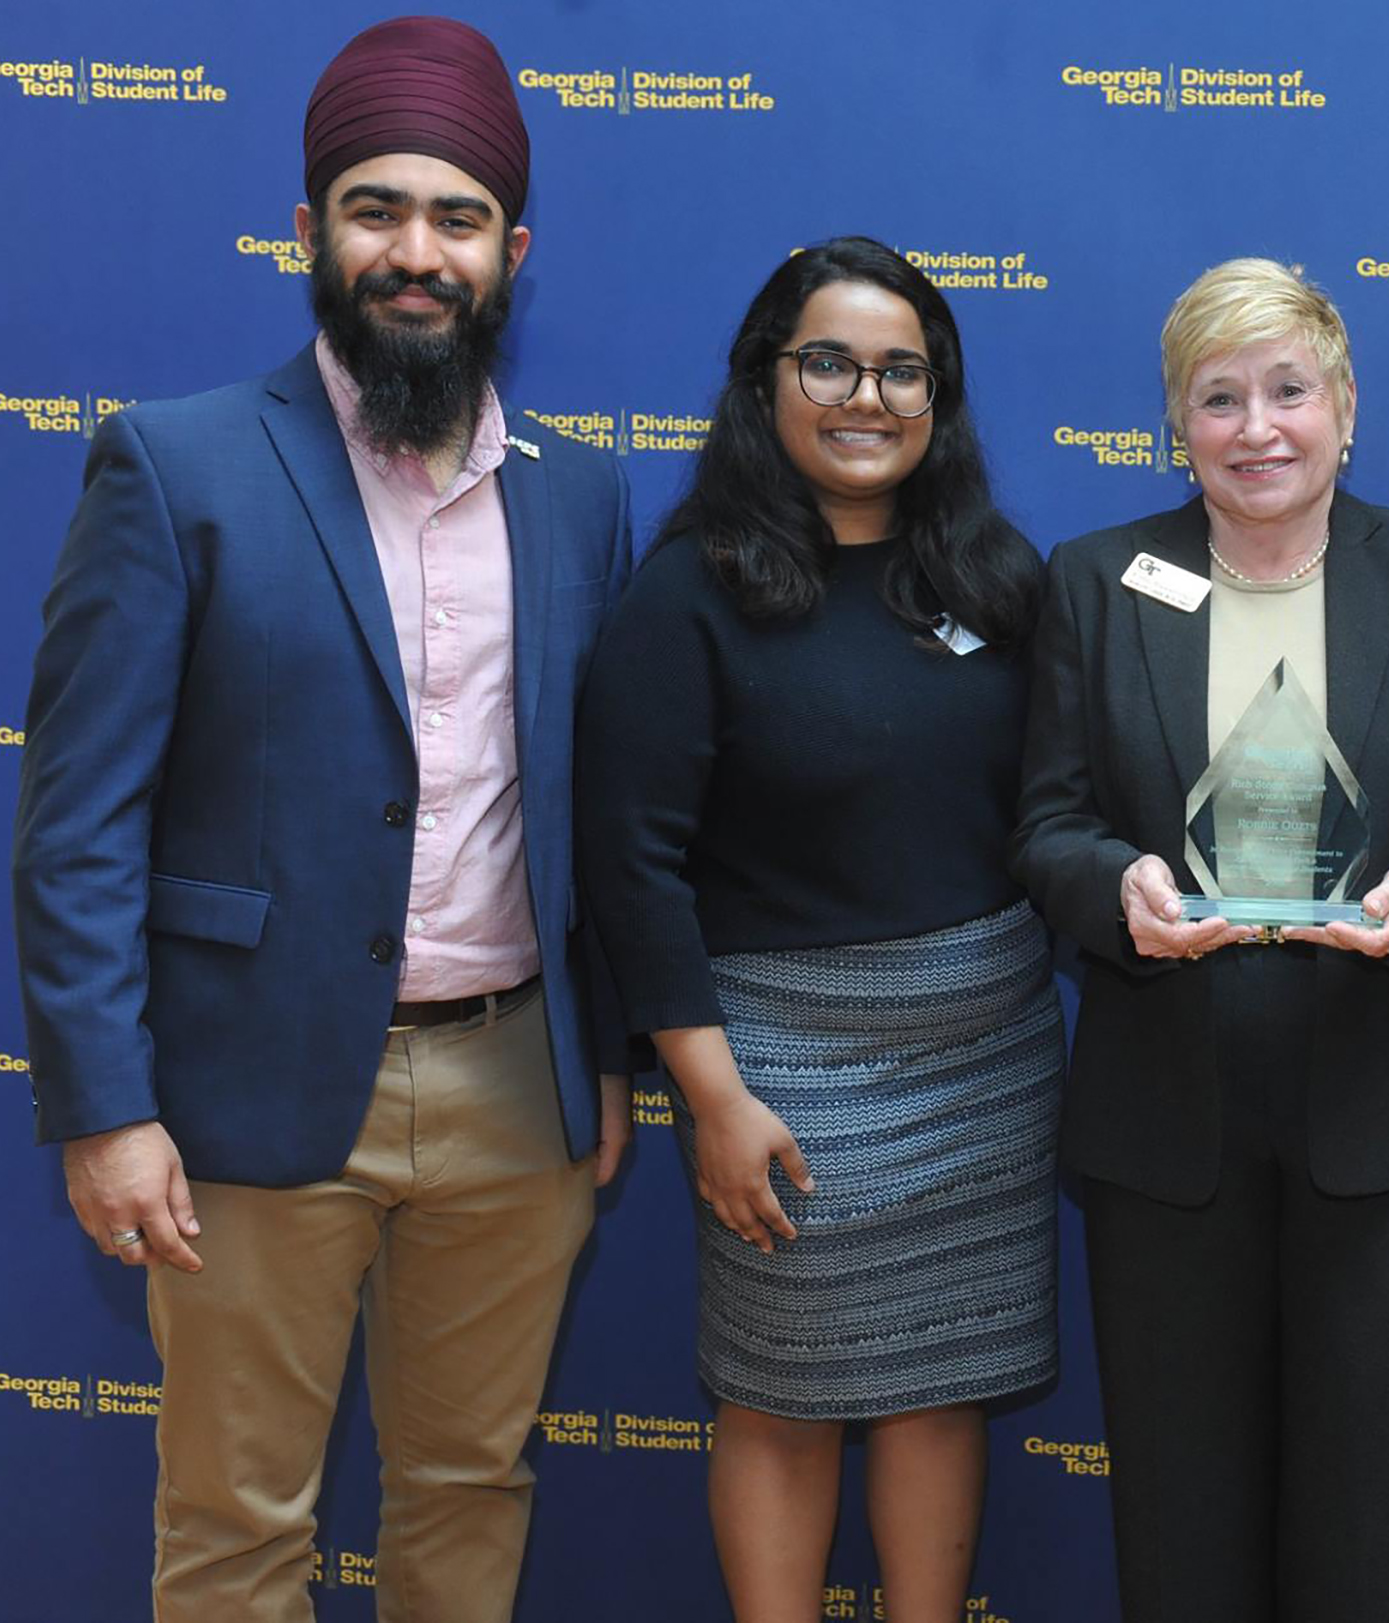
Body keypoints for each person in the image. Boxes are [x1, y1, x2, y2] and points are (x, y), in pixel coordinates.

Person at [9, 18, 636, 1621]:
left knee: (467, 1490)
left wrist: (604, 1054)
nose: (414, 253)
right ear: (309, 233)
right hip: (248, 1089)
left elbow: (593, 807)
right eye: (376, 210)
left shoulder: (579, 497)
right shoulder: (177, 464)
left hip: (516, 1091)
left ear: (512, 253)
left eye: (456, 218)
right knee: (236, 1522)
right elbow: (76, 819)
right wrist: (103, 1105)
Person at [1012, 256, 1389, 1622]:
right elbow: (1047, 822)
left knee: (1364, 1524)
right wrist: (1112, 882)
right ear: (1175, 423)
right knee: (1180, 1524)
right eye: (1219, 397)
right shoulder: (1095, 581)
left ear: (1345, 407)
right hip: (1161, 1123)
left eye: (1289, 391)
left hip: (1380, 1117)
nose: (1259, 428)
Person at [576, 237, 1058, 1623]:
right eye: (830, 362)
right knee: (782, 1400)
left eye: (902, 369)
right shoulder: (690, 596)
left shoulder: (990, 578)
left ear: (939, 396)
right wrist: (709, 1094)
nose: (867, 394)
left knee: (939, 1382)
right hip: (779, 1079)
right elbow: (631, 863)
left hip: (987, 1061)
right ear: (765, 382)